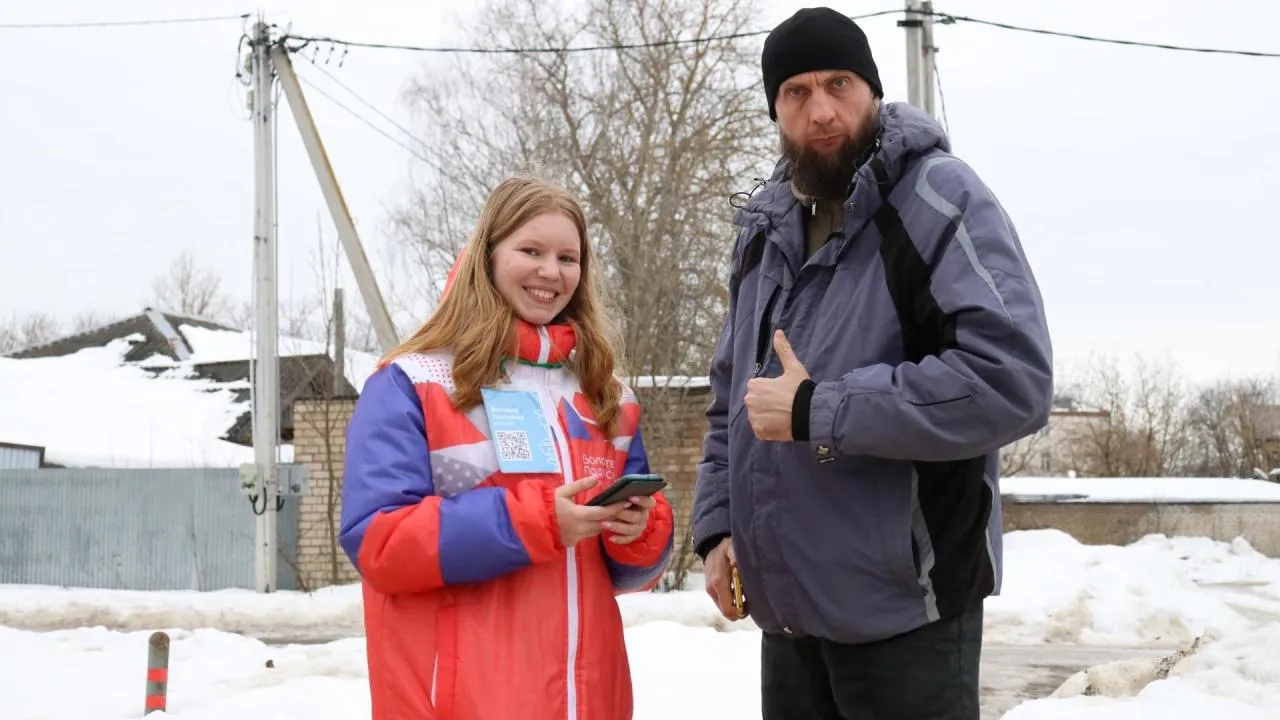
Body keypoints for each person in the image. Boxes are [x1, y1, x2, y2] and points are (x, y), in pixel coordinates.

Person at [692, 7, 1054, 720]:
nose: (821, 110)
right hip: (790, 616)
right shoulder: (763, 231)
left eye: (840, 83)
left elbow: (1012, 380)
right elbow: (728, 397)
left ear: (874, 90)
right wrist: (717, 527)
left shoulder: (940, 199)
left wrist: (818, 409)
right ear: (775, 110)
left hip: (906, 612)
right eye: (796, 92)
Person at [339, 176, 675, 720]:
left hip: (588, 701)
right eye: (531, 251)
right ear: (487, 256)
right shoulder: (412, 383)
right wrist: (535, 523)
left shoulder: (605, 394)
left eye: (568, 257)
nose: (551, 271)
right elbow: (379, 541)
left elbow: (630, 574)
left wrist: (640, 529)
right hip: (460, 703)